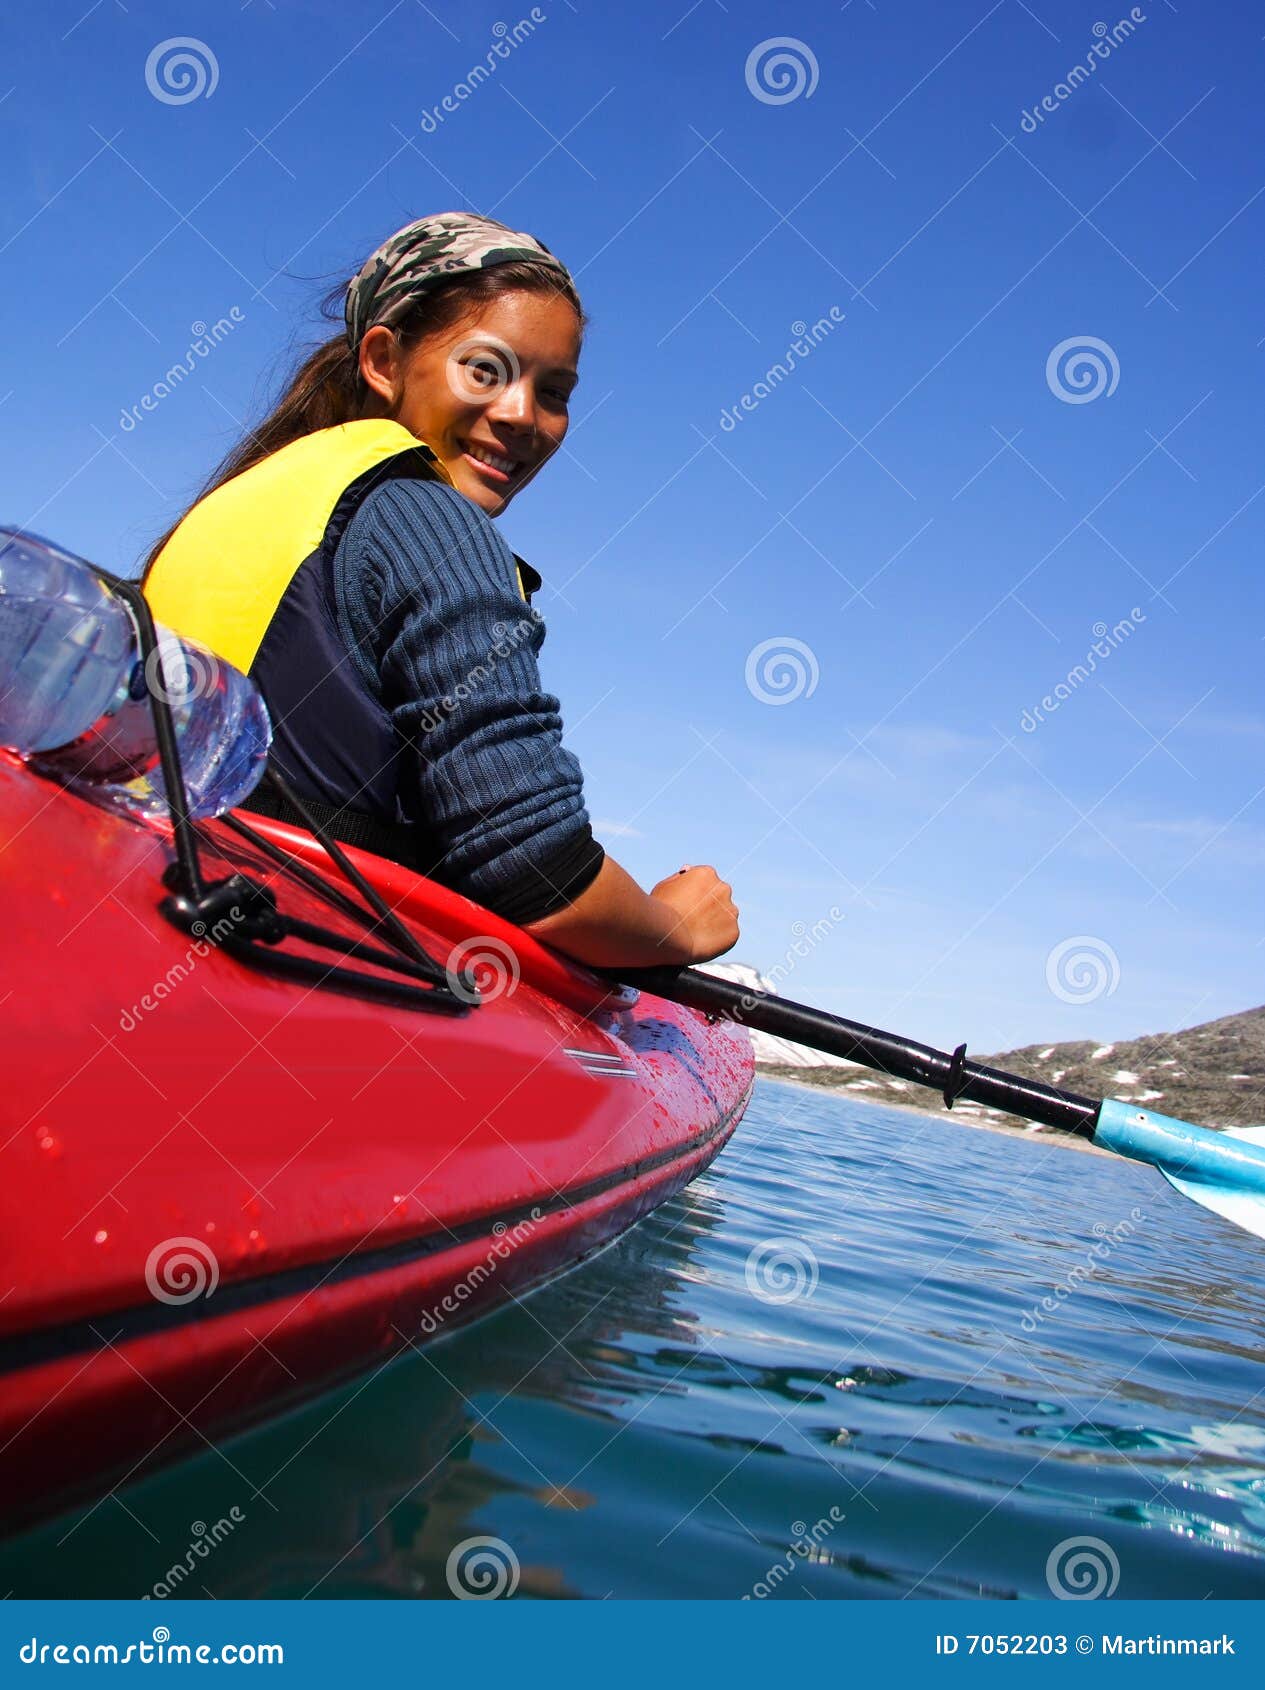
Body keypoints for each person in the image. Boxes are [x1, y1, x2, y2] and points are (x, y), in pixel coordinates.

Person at [143, 211, 738, 970]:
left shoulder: (254, 497)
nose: (523, 415)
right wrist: (673, 925)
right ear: (385, 360)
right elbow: (536, 871)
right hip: (281, 958)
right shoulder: (432, 524)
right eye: (485, 369)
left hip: (167, 906)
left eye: (554, 391)